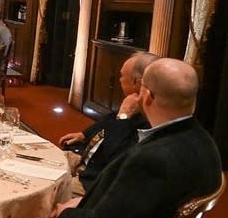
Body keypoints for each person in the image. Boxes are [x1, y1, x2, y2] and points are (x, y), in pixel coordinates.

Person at [0, 58, 223, 218]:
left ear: (147, 96)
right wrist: (84, 202)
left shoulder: (153, 159)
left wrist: (66, 213)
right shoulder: (204, 142)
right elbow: (135, 206)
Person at [59, 52, 159, 194]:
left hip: (92, 182)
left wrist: (124, 117)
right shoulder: (132, 103)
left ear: (137, 83)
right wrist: (84, 134)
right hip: (86, 162)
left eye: (122, 75)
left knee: (46, 193)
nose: (119, 80)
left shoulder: (147, 118)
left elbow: (115, 158)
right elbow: (109, 120)